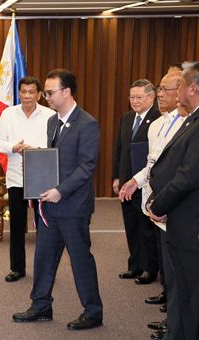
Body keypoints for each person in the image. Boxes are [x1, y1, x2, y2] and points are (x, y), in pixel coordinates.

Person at [12, 69, 103, 330]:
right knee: (43, 257)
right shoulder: (53, 121)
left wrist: (61, 190)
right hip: (50, 206)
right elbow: (56, 159)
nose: (47, 97)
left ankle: (93, 311)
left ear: (67, 92)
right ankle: (41, 305)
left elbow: (87, 167)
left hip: (73, 206)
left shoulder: (87, 123)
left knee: (80, 259)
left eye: (50, 92)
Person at [119, 72, 186, 339]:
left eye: (165, 90)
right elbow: (152, 163)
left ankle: (177, 322)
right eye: (158, 90)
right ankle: (172, 316)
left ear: (184, 90)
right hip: (157, 201)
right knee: (168, 263)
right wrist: (134, 181)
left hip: (177, 204)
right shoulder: (161, 124)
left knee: (179, 266)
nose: (160, 95)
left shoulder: (187, 124)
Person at [148, 61, 199, 340]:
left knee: (192, 293)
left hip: (190, 221)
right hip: (180, 218)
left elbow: (188, 176)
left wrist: (159, 204)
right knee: (181, 289)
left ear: (192, 88)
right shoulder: (191, 119)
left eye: (179, 85)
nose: (174, 90)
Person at [0, 76, 55, 282]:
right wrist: (14, 147)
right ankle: (17, 268)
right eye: (23, 92)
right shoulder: (8, 114)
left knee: (44, 225)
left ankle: (45, 269)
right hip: (16, 178)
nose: (27, 96)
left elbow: (55, 145)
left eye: (31, 92)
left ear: (39, 94)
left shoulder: (50, 115)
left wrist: (34, 152)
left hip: (41, 177)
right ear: (18, 93)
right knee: (17, 225)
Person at [113, 79, 161, 284]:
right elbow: (119, 150)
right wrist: (116, 177)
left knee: (146, 229)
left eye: (139, 97)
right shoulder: (126, 118)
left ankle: (150, 269)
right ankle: (135, 266)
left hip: (145, 183)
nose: (134, 101)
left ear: (151, 97)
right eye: (132, 97)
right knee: (131, 226)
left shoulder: (158, 119)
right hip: (126, 183)